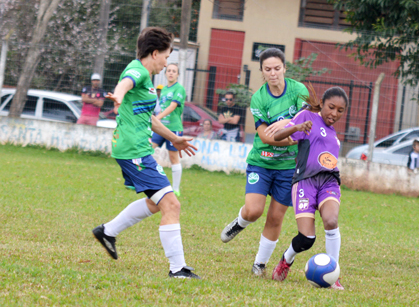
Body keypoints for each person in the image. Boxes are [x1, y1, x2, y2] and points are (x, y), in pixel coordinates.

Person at [91, 26, 200, 279]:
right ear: (154, 53)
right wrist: (118, 96)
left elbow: (149, 118)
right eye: (166, 56)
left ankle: (107, 231)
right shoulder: (137, 71)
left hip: (133, 149)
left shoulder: (148, 80)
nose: (166, 62)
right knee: (171, 204)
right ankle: (178, 269)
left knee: (155, 202)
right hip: (133, 151)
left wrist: (174, 139)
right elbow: (124, 83)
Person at [219, 48, 309, 276]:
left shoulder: (299, 90)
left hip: (289, 167)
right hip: (262, 161)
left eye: (277, 68)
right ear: (262, 71)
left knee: (275, 217)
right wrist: (291, 138)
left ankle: (259, 263)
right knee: (254, 211)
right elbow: (265, 136)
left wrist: (288, 122)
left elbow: (307, 120)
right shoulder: (259, 97)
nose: (273, 73)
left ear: (285, 68)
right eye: (267, 69)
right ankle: (239, 222)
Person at [270, 86, 348, 290]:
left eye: (340, 111)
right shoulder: (307, 117)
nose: (334, 113)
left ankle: (334, 275)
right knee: (307, 238)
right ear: (322, 103)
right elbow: (278, 138)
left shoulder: (334, 136)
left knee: (331, 221)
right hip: (305, 181)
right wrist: (295, 127)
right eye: (331, 107)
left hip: (329, 182)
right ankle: (286, 260)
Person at [151, 63, 187, 197]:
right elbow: (162, 107)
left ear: (177, 74)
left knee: (173, 158)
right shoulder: (164, 89)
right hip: (161, 128)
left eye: (174, 71)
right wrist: (158, 119)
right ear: (165, 73)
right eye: (169, 70)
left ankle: (175, 189)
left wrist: (157, 118)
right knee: (147, 149)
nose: (171, 73)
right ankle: (147, 181)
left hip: (173, 129)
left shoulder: (179, 89)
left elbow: (172, 106)